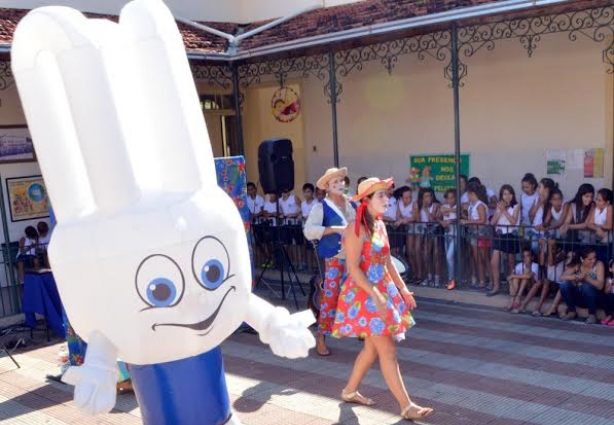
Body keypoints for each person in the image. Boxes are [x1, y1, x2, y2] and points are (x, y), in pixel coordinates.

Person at [332, 177, 433, 421]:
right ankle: (406, 405)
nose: (387, 199)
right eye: (380, 196)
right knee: (387, 349)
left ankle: (349, 390)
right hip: (365, 295)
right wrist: (376, 295)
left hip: (381, 292)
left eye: (386, 195)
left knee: (371, 348)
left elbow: (387, 262)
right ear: (365, 201)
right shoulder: (356, 229)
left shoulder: (379, 224)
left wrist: (403, 290)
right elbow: (353, 269)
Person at [304, 167, 356, 356]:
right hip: (334, 257)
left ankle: (361, 329)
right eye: (335, 182)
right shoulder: (321, 207)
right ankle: (321, 337)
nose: (339, 185)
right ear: (327, 186)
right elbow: (309, 230)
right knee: (330, 296)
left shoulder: (351, 204)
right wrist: (332, 229)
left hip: (354, 256)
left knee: (356, 292)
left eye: (341, 181)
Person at [559, 246, 605, 324]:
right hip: (579, 298)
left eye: (594, 257)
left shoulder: (599, 264)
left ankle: (592, 315)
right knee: (564, 285)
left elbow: (600, 286)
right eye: (590, 259)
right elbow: (561, 277)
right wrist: (575, 277)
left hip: (594, 298)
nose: (593, 260)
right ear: (582, 259)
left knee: (586, 286)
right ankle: (572, 311)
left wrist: (586, 278)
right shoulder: (577, 265)